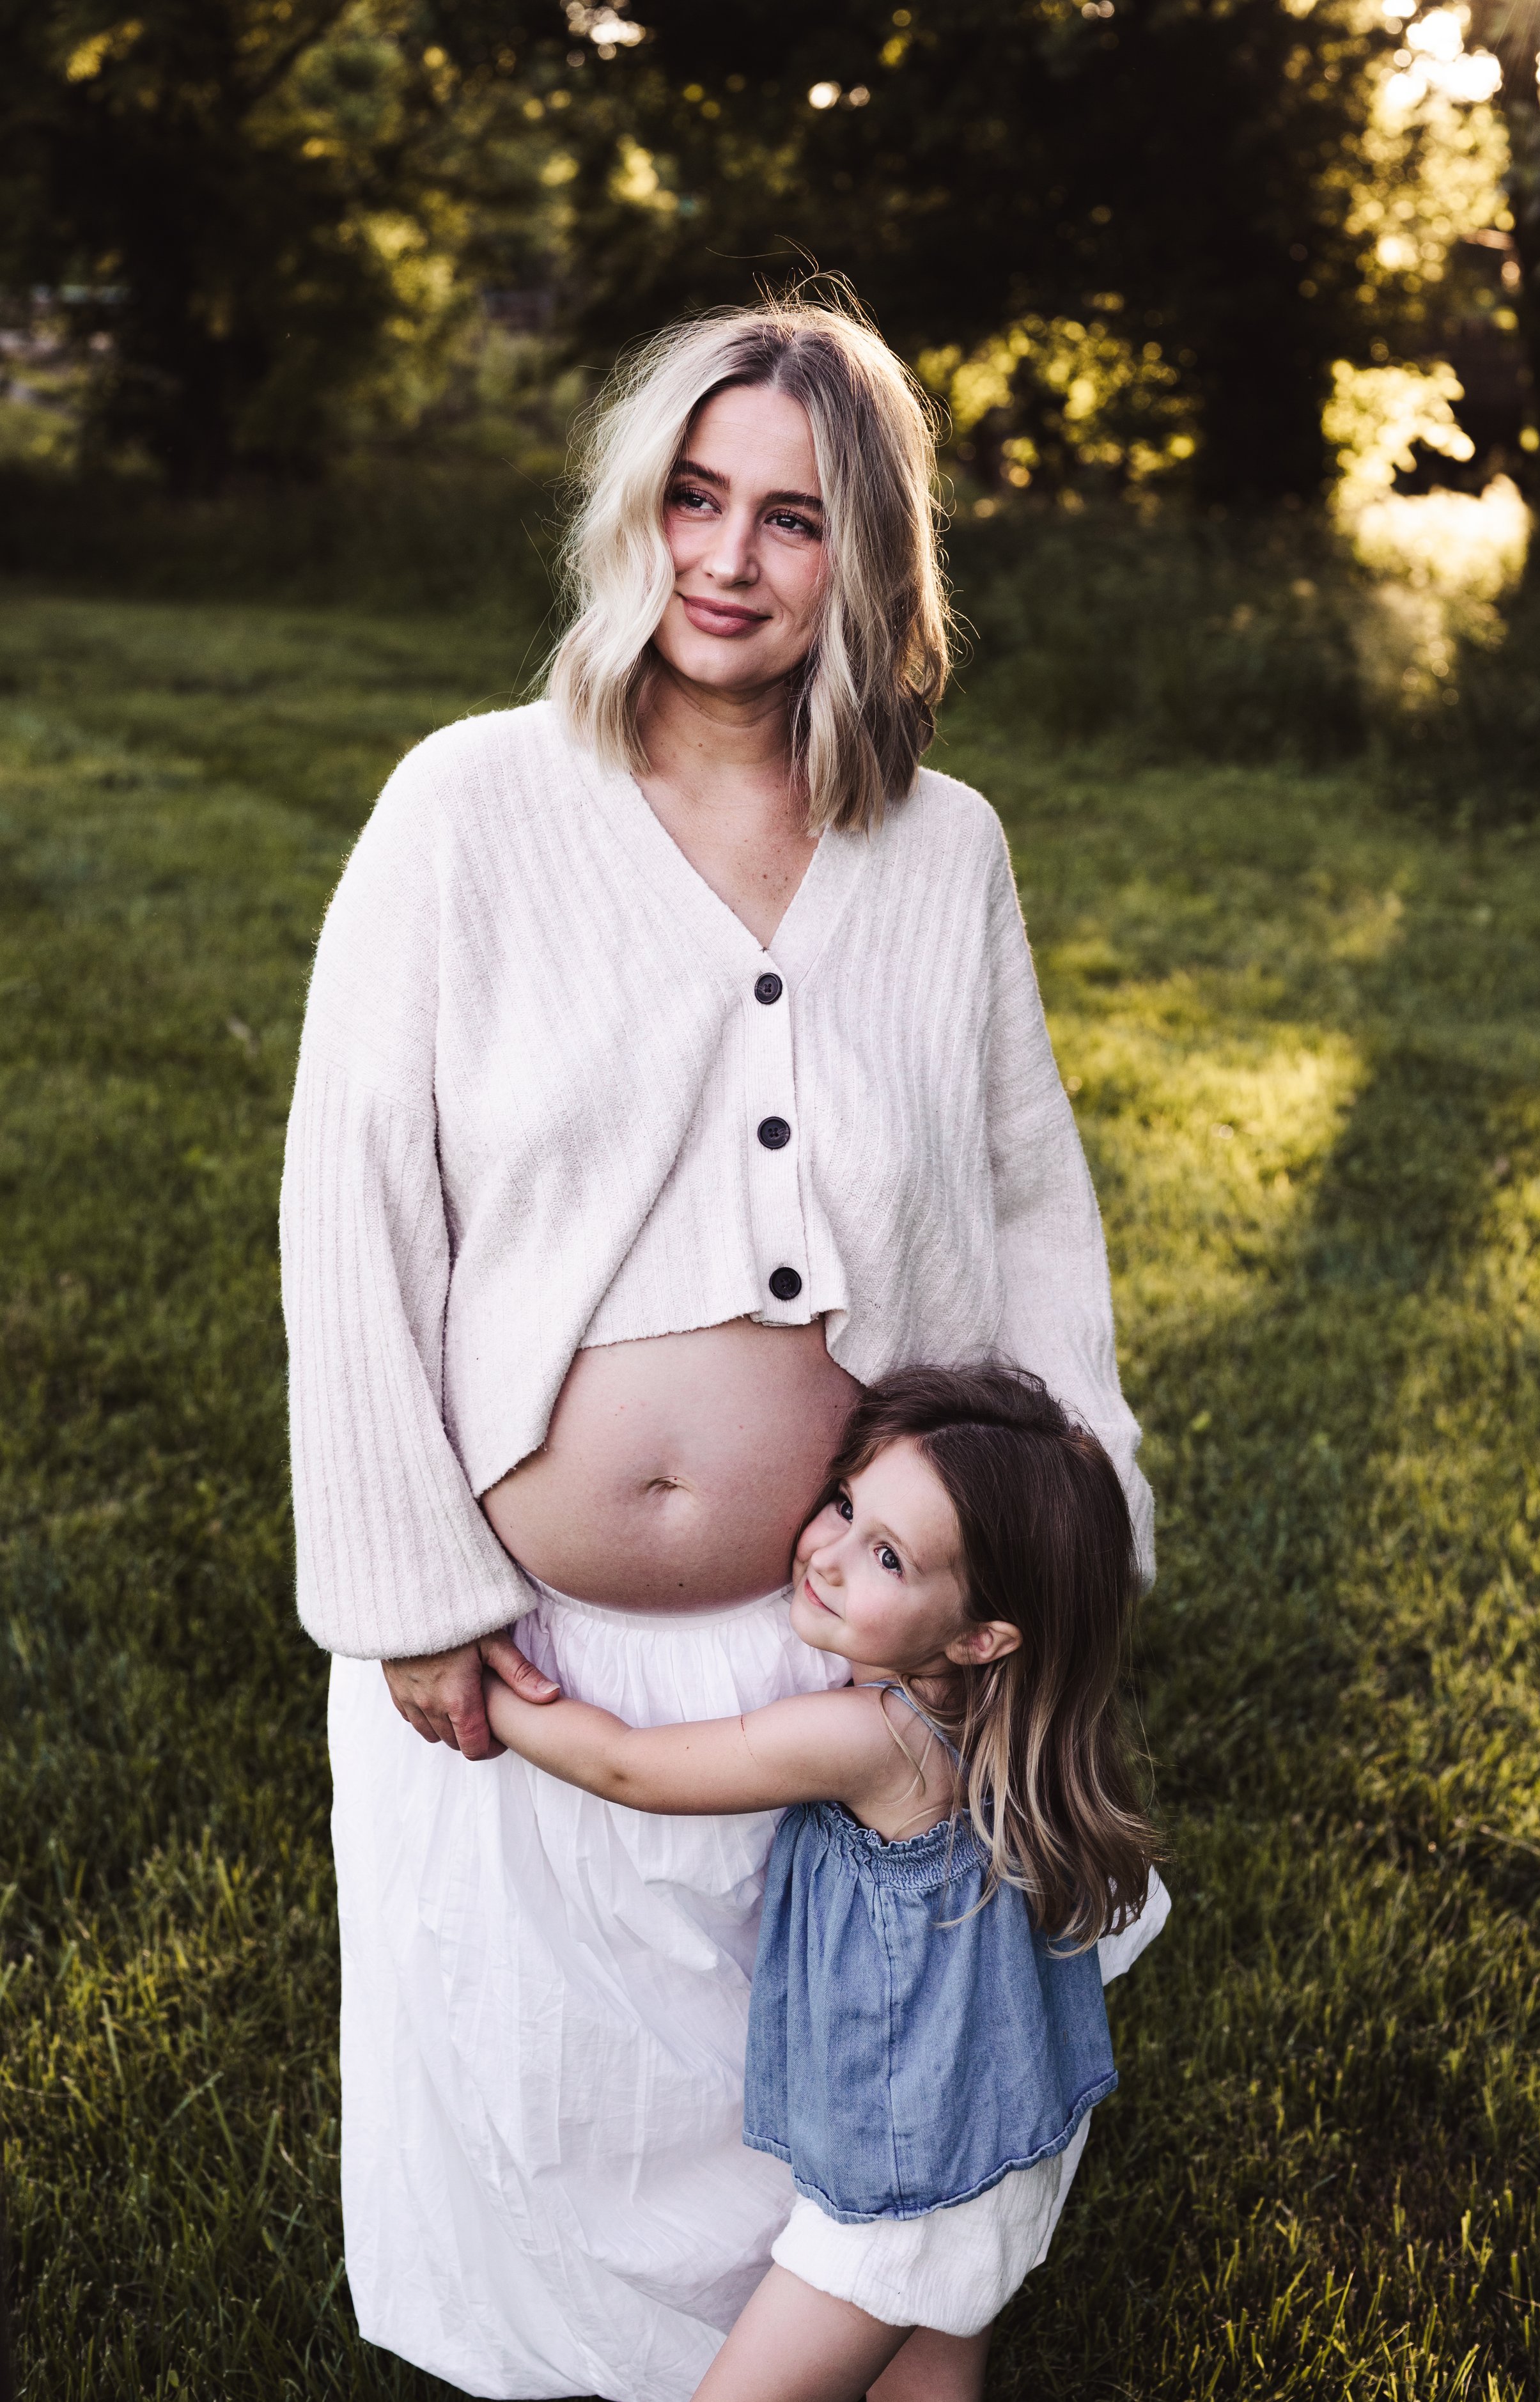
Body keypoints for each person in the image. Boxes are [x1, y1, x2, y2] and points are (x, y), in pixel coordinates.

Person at [280, 290, 1155, 2402]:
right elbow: (354, 1199)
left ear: (869, 557)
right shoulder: (473, 803)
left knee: (835, 2091)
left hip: (826, 1635)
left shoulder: (942, 849)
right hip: (531, 1622)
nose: (728, 558)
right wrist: (406, 1579)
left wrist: (1081, 1518)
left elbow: (1028, 1197)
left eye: (791, 515)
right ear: (632, 512)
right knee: (548, 2094)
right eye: (692, 496)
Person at [485, 1366, 1169, 2402]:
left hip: (900, 2183)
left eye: (889, 1556)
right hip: (995, 2141)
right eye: (846, 1504)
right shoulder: (995, 1728)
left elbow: (628, 1765)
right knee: (924, 2386)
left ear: (979, 1635)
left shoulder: (875, 1738)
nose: (829, 1554)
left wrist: (483, 1686)